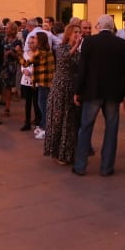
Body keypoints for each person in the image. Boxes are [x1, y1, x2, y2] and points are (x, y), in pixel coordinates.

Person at [72, 15, 125, 176]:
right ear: (112, 27)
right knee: (111, 129)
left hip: (92, 91)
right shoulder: (121, 44)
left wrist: (77, 91)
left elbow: (82, 69)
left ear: (99, 26)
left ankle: (80, 165)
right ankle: (106, 167)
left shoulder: (90, 42)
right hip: (113, 93)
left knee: (85, 127)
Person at [43, 23, 83, 165]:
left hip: (71, 87)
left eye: (79, 32)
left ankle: (67, 153)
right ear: (69, 34)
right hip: (60, 87)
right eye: (75, 32)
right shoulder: (62, 47)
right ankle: (56, 151)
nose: (78, 34)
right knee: (58, 119)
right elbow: (64, 58)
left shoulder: (78, 52)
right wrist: (75, 46)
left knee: (69, 121)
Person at [23, 30, 55, 139]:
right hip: (47, 82)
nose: (33, 41)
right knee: (43, 105)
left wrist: (17, 53)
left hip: (43, 83)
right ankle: (42, 126)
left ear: (40, 41)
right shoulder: (47, 51)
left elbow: (26, 63)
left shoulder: (39, 53)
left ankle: (46, 128)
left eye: (35, 39)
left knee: (43, 105)